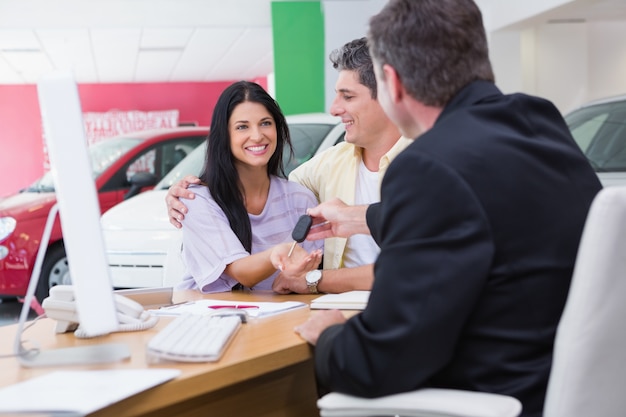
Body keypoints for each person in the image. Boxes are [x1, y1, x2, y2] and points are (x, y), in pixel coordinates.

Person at [292, 1, 603, 416]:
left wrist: (331, 336)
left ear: (393, 83)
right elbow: (488, 213)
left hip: (494, 398)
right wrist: (359, 217)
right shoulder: (538, 121)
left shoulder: (427, 166)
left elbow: (380, 362)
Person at [166, 38, 412, 294]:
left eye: (347, 96)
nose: (333, 109)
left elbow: (420, 266)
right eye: (242, 127)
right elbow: (274, 193)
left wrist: (312, 280)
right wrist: (177, 194)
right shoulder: (326, 168)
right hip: (338, 314)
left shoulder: (433, 165)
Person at [177, 80, 322, 293]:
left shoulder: (301, 199)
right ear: (224, 135)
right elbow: (241, 272)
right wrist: (278, 254)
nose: (257, 135)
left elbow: (304, 278)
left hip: (280, 318)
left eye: (265, 123)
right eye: (242, 126)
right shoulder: (198, 201)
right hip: (212, 320)